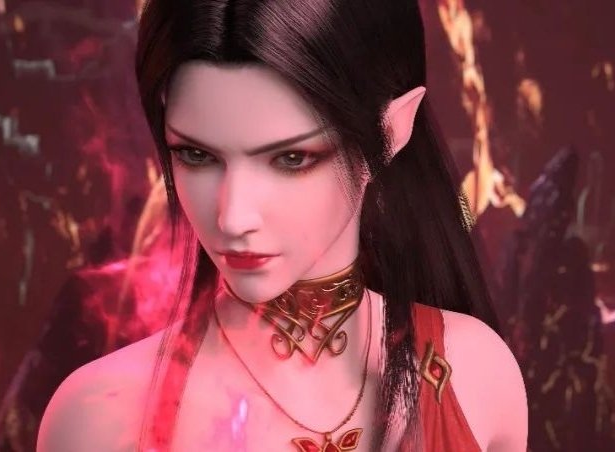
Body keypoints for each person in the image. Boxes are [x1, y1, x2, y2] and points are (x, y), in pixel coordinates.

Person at [37, 0, 527, 450]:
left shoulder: (474, 372)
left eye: (292, 158)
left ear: (392, 131)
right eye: (196, 155)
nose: (233, 217)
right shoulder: (100, 416)